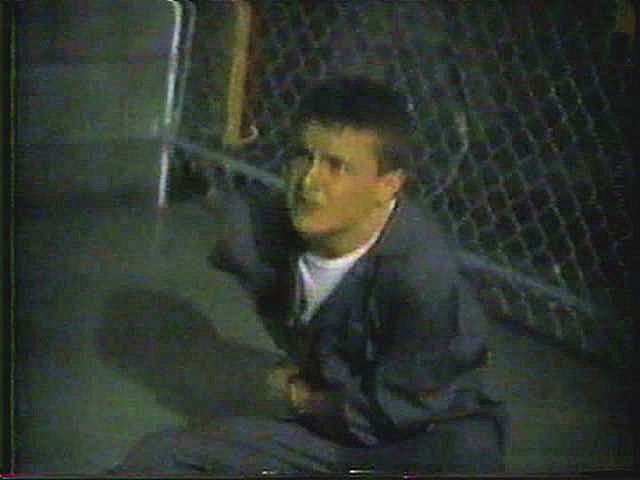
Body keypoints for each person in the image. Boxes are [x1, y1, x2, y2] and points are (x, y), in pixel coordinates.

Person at [113, 76, 507, 475]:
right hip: (328, 428)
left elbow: (391, 414)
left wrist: (296, 396)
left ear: (388, 185)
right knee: (162, 459)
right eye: (303, 156)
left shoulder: (423, 280)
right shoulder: (258, 233)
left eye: (338, 166)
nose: (309, 182)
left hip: (425, 442)